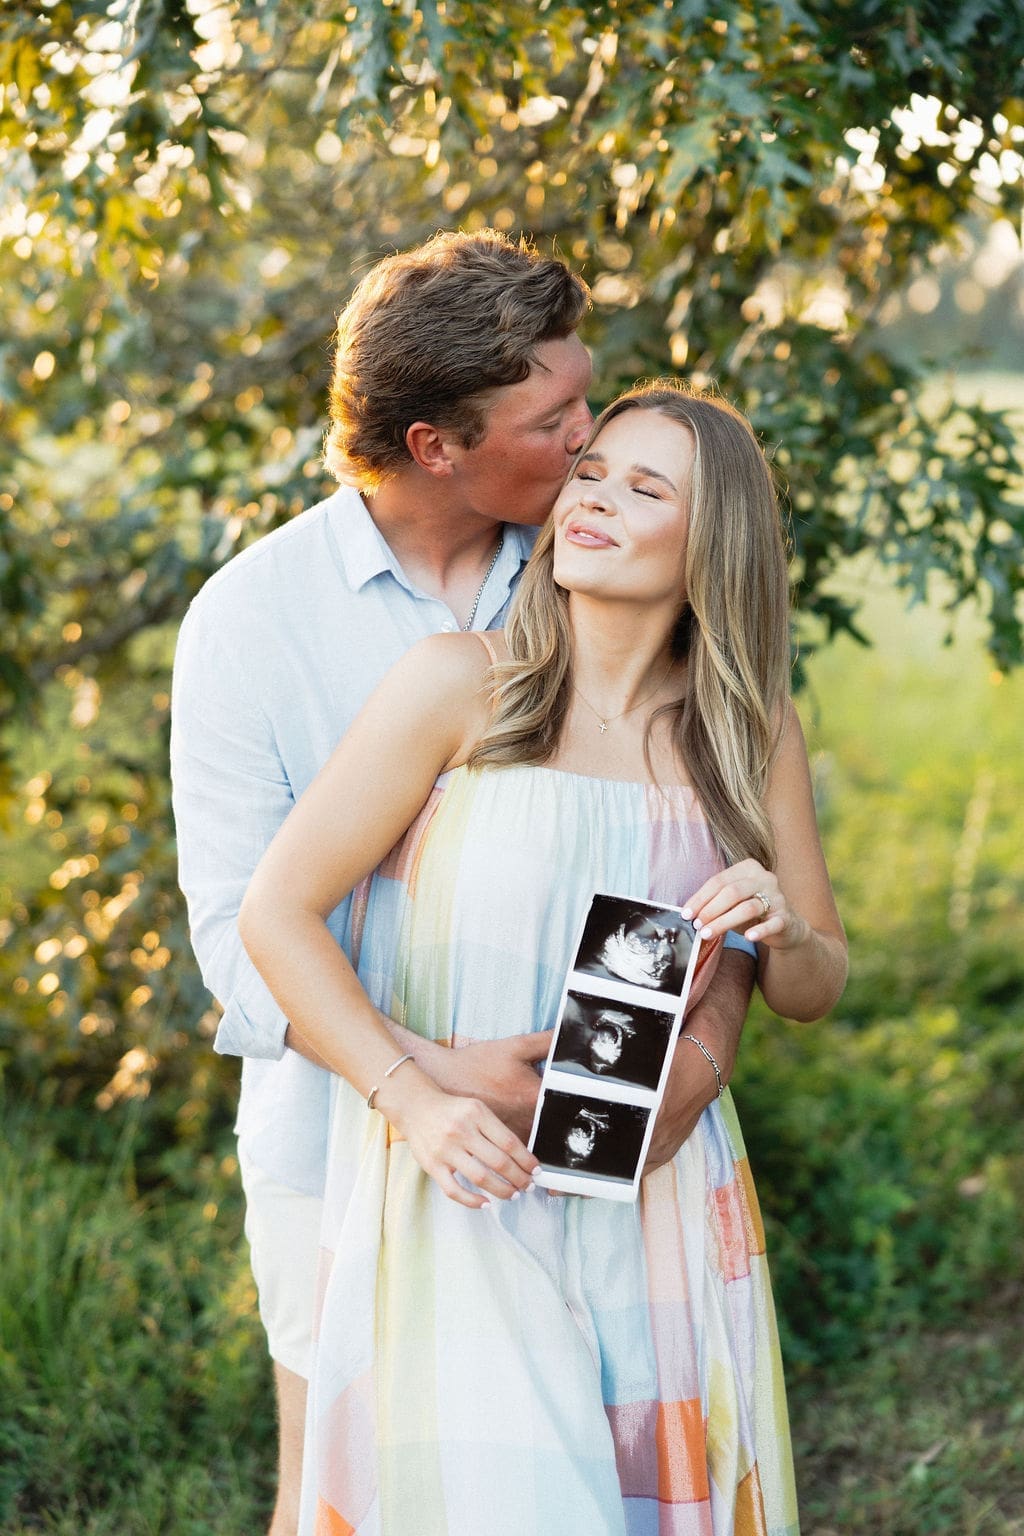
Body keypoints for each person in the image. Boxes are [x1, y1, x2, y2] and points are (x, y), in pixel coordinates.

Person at [170, 234, 757, 1535]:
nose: (590, 440)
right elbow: (240, 937)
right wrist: (428, 1074)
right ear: (441, 447)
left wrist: (684, 1064)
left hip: (585, 1160)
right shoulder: (254, 621)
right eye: (557, 421)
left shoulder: (593, 567)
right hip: (344, 1150)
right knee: (341, 1500)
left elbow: (688, 861)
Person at [238, 382, 848, 1534]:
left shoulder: (746, 724)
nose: (594, 499)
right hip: (460, 1186)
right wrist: (410, 1098)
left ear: (708, 540)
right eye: (592, 470)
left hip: (651, 1195)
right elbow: (276, 912)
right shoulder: (461, 686)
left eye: (643, 485)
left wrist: (783, 925)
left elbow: (814, 989)